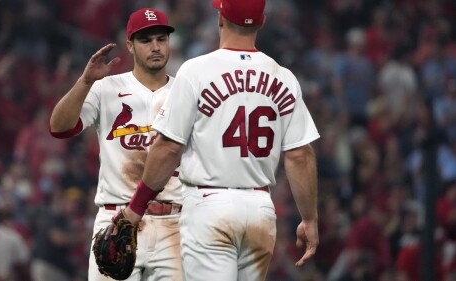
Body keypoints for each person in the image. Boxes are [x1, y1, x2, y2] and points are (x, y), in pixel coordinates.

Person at [120, 0, 320, 280]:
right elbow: (300, 155)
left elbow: (168, 148)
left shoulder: (196, 71)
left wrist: (135, 208)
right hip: (260, 207)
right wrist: (309, 219)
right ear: (262, 21)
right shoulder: (284, 78)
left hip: (209, 205)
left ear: (220, 18)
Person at [49, 7, 183, 281]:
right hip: (115, 217)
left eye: (161, 39)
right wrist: (85, 81)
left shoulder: (186, 91)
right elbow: (59, 127)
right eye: (146, 40)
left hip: (175, 222)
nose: (155, 47)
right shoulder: (104, 87)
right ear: (130, 46)